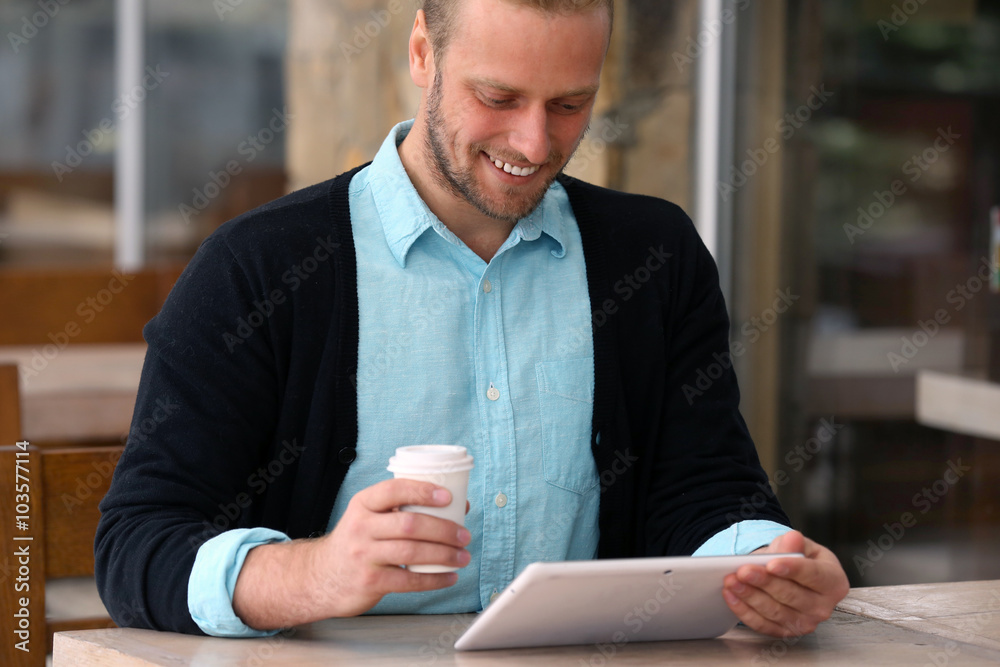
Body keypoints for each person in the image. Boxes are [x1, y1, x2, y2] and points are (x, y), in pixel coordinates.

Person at [96, 0, 849, 641]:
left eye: (569, 104)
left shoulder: (654, 256)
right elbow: (136, 543)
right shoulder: (257, 267)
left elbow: (705, 491)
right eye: (498, 96)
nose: (533, 143)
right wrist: (314, 572)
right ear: (422, 52)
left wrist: (767, 560)